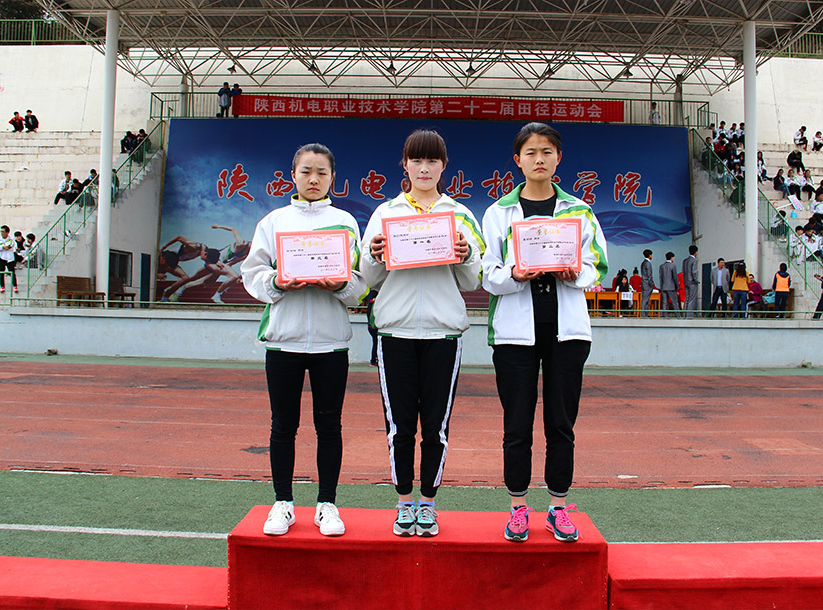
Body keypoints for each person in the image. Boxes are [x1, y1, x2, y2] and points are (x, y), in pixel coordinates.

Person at [481, 122, 607, 543]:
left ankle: (558, 507)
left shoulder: (579, 212)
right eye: (531, 152)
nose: (539, 159)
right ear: (517, 160)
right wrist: (515, 274)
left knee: (561, 424)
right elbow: (487, 273)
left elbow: (597, 266)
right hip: (515, 335)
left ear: (558, 158)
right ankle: (518, 507)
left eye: (547, 151)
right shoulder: (499, 213)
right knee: (517, 425)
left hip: (567, 334)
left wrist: (575, 273)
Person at [240, 142, 366, 538]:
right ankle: (283, 503)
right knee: (283, 425)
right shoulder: (274, 221)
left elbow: (360, 284)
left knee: (329, 426)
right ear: (292, 175)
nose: (314, 179)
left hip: (331, 342)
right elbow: (252, 273)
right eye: (306, 171)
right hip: (284, 341)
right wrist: (277, 282)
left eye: (322, 173)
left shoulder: (345, 222)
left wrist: (341, 285)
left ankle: (327, 504)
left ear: (333, 178)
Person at [361, 129, 483, 538]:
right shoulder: (386, 213)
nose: (424, 168)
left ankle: (428, 504)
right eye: (417, 160)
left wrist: (466, 255)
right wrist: (374, 254)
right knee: (399, 427)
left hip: (443, 334)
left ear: (444, 166)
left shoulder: (460, 215)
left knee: (436, 428)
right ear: (405, 165)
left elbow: (472, 280)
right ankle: (403, 503)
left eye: (432, 160)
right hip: (394, 332)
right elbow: (369, 276)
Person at [0, 225, 18, 294]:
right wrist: (2, 247)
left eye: (3, 232)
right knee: (1, 273)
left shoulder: (11, 239)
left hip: (10, 258)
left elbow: (14, 246)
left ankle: (15, 286)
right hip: (1, 257)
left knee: (12, 272)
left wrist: (8, 247)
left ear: (7, 232)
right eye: (1, 231)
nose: (2, 233)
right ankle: (2, 286)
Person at [681, 245, 699, 317]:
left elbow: (683, 271)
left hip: (686, 281)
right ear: (696, 252)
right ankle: (689, 316)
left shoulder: (685, 260)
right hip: (692, 282)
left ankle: (685, 314)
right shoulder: (694, 260)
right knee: (692, 299)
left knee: (687, 299)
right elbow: (694, 272)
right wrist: (696, 280)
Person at [640, 249, 655, 316]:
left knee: (645, 299)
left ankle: (645, 314)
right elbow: (649, 275)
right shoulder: (648, 263)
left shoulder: (643, 263)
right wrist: (651, 283)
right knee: (645, 300)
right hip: (647, 284)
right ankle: (643, 314)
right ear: (649, 255)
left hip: (644, 283)